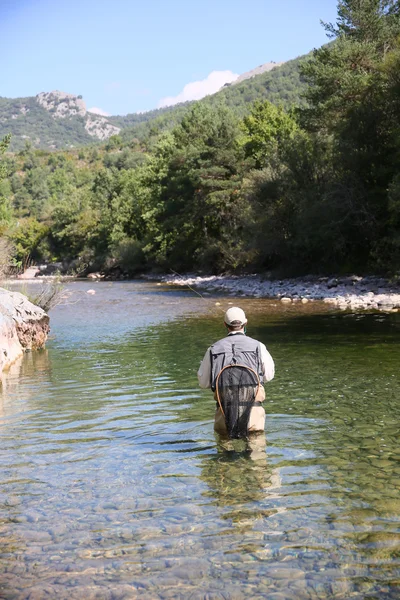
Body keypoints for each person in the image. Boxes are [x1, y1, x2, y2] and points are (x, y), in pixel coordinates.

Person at [197, 306, 275, 436]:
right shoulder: (258, 346)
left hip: (224, 414)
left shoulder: (213, 349)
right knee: (256, 450)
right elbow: (268, 376)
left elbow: (203, 383)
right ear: (245, 323)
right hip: (253, 415)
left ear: (225, 325)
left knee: (224, 452)